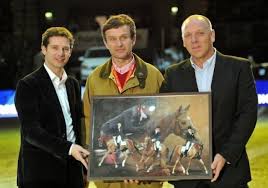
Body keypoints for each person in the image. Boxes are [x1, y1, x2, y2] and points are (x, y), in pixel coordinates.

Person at [160, 15, 258, 188]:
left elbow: (247, 115)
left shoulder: (239, 68)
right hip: (188, 178)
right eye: (188, 35)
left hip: (229, 173)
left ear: (212, 35)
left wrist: (226, 155)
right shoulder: (172, 75)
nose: (194, 40)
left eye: (200, 33)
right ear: (183, 41)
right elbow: (164, 117)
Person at [83, 14, 164, 188]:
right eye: (112, 39)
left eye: (123, 38)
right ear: (105, 43)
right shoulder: (95, 78)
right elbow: (89, 121)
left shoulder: (154, 76)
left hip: (145, 177)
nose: (118, 44)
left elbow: (161, 123)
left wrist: (144, 167)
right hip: (109, 179)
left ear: (133, 39)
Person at [15, 27, 89, 188]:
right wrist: (69, 148)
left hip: (73, 170)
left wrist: (83, 167)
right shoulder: (28, 85)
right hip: (41, 173)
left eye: (65, 48)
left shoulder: (72, 84)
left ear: (70, 51)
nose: (60, 53)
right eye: (55, 48)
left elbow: (76, 126)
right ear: (44, 49)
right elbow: (31, 132)